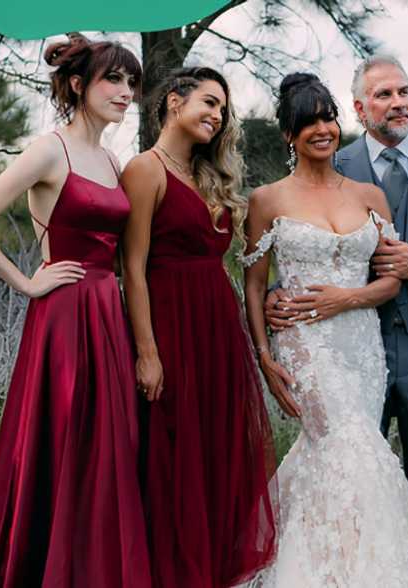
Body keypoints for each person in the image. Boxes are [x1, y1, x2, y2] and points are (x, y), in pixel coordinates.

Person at [267, 54, 408, 585]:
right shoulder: (332, 162)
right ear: (359, 107)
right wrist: (281, 293)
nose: (398, 103)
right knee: (345, 482)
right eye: (385, 95)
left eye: (404, 91)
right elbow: (304, 242)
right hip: (346, 354)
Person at [240, 72, 408, 587]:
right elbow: (255, 285)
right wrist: (265, 356)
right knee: (355, 451)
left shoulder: (370, 195)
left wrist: (348, 298)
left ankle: (323, 570)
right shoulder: (267, 200)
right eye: (309, 122)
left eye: (327, 117)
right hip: (305, 345)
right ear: (289, 134)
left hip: (362, 344)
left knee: (337, 457)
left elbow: (392, 279)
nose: (322, 129)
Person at [0, 34, 151, 587]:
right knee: (62, 442)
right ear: (79, 85)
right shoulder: (47, 149)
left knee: (108, 448)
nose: (126, 92)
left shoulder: (110, 157)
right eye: (114, 79)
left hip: (109, 315)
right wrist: (25, 283)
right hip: (63, 318)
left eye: (131, 82)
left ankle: (94, 569)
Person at [120, 66, 276, 588]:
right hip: (171, 328)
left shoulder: (208, 176)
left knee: (216, 453)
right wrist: (148, 351)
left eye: (222, 109)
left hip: (217, 332)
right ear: (172, 102)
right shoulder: (145, 169)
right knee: (174, 457)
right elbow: (132, 268)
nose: (216, 115)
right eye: (208, 102)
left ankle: (214, 574)